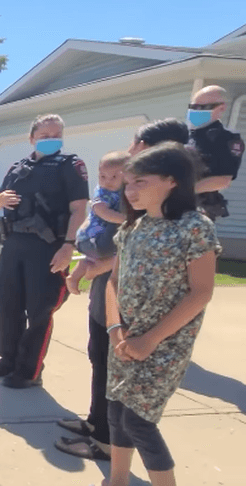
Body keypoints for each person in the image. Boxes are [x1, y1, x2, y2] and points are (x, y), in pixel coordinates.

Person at [54, 120, 191, 462]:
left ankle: (104, 441)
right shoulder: (135, 193)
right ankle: (95, 423)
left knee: (113, 375)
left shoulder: (170, 206)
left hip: (137, 310)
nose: (131, 150)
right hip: (110, 296)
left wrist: (99, 265)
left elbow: (153, 253)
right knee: (98, 358)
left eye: (136, 144)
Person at [103, 141, 219, 486]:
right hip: (123, 340)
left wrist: (151, 338)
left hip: (165, 345)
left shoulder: (194, 227)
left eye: (141, 182)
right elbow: (113, 281)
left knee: (139, 421)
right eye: (128, 183)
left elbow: (202, 292)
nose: (131, 191)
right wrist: (114, 328)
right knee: (116, 412)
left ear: (172, 181)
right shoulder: (131, 229)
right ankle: (118, 480)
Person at [0, 114, 89, 388]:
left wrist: (68, 246)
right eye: (44, 136)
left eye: (56, 136)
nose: (51, 140)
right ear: (31, 139)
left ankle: (29, 371)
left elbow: (78, 209)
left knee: (40, 310)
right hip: (14, 243)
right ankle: (7, 360)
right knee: (8, 305)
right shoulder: (18, 167)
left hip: (49, 246)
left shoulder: (70, 166)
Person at [66, 151, 129, 295]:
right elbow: (101, 210)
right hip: (93, 237)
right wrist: (125, 219)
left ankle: (74, 277)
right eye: (102, 176)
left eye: (114, 177)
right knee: (117, 250)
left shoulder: (123, 190)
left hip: (94, 240)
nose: (107, 181)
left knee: (90, 258)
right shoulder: (102, 192)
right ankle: (94, 270)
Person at [186, 85, 244, 221]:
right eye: (193, 107)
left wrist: (182, 191)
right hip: (172, 207)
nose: (195, 111)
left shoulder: (228, 139)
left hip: (197, 212)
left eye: (202, 107)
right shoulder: (185, 135)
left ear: (221, 108)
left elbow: (222, 181)